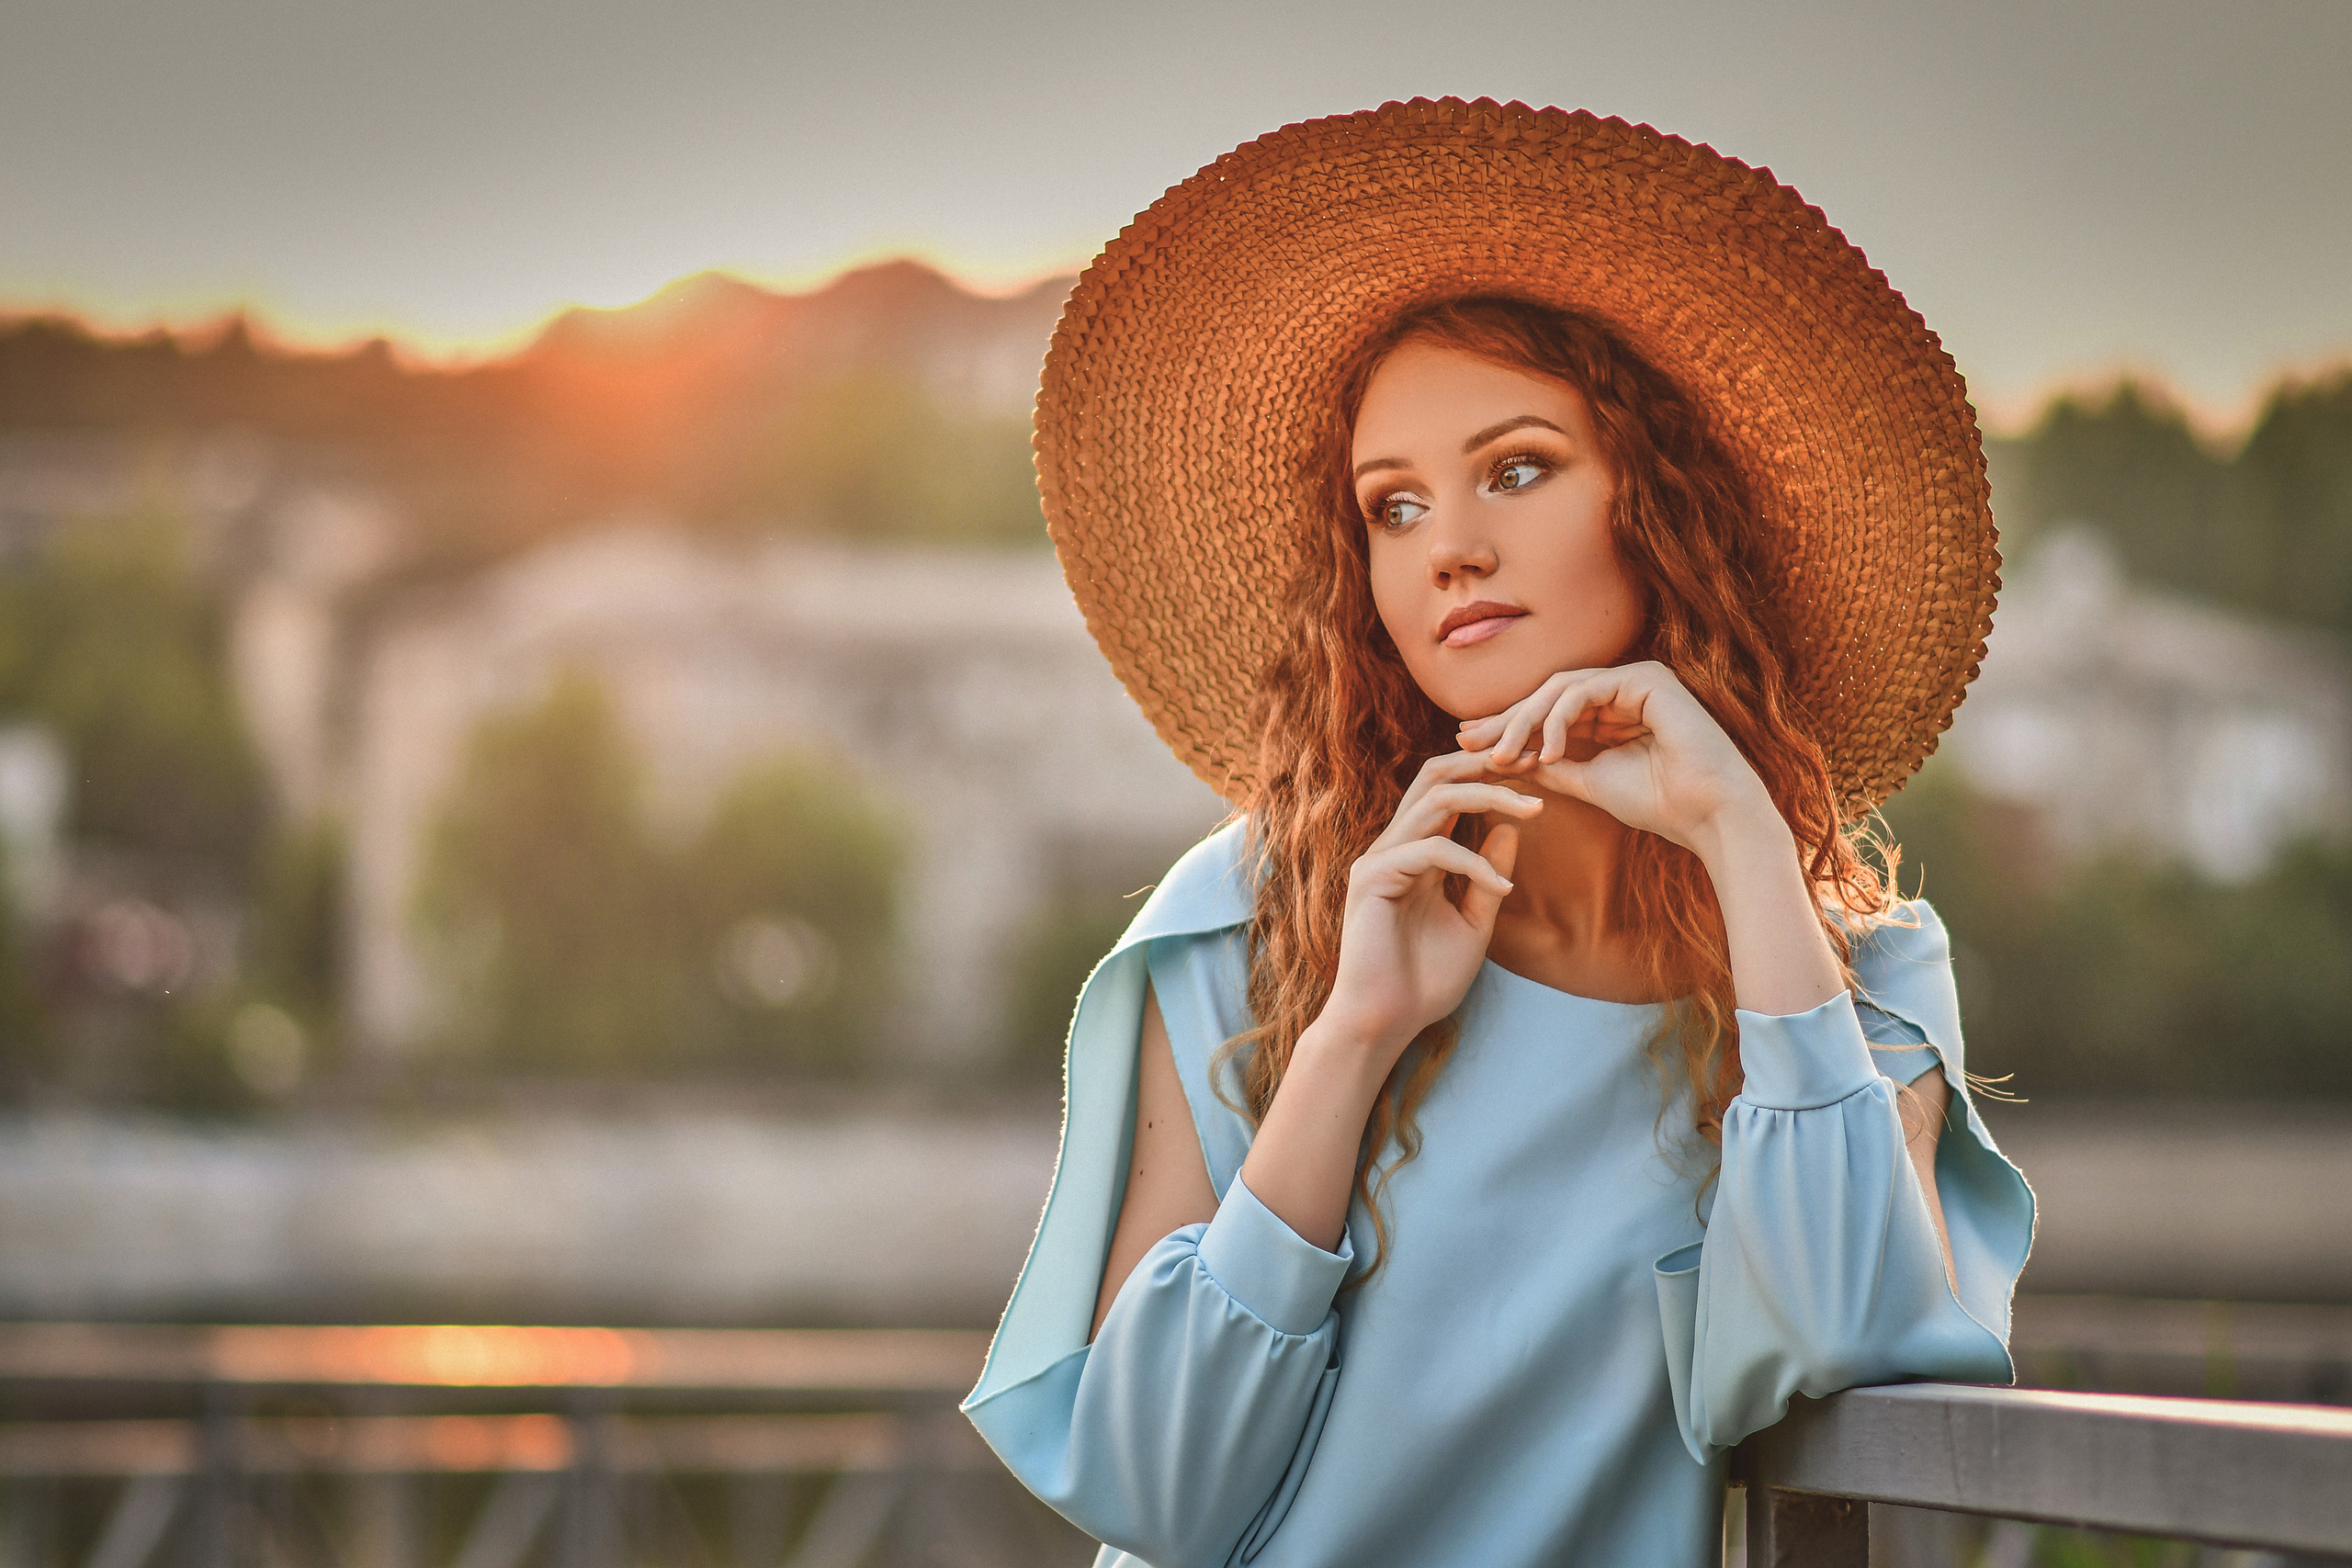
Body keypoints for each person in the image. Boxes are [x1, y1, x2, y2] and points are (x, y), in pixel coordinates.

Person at [964, 99, 2035, 1568]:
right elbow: (1153, 1490)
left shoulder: (1859, 985)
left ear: (1660, 510)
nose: (1446, 544)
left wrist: (1741, 839)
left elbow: (1843, 1350)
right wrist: (1355, 1031)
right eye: (1391, 506)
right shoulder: (1254, 916)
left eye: (1515, 469)